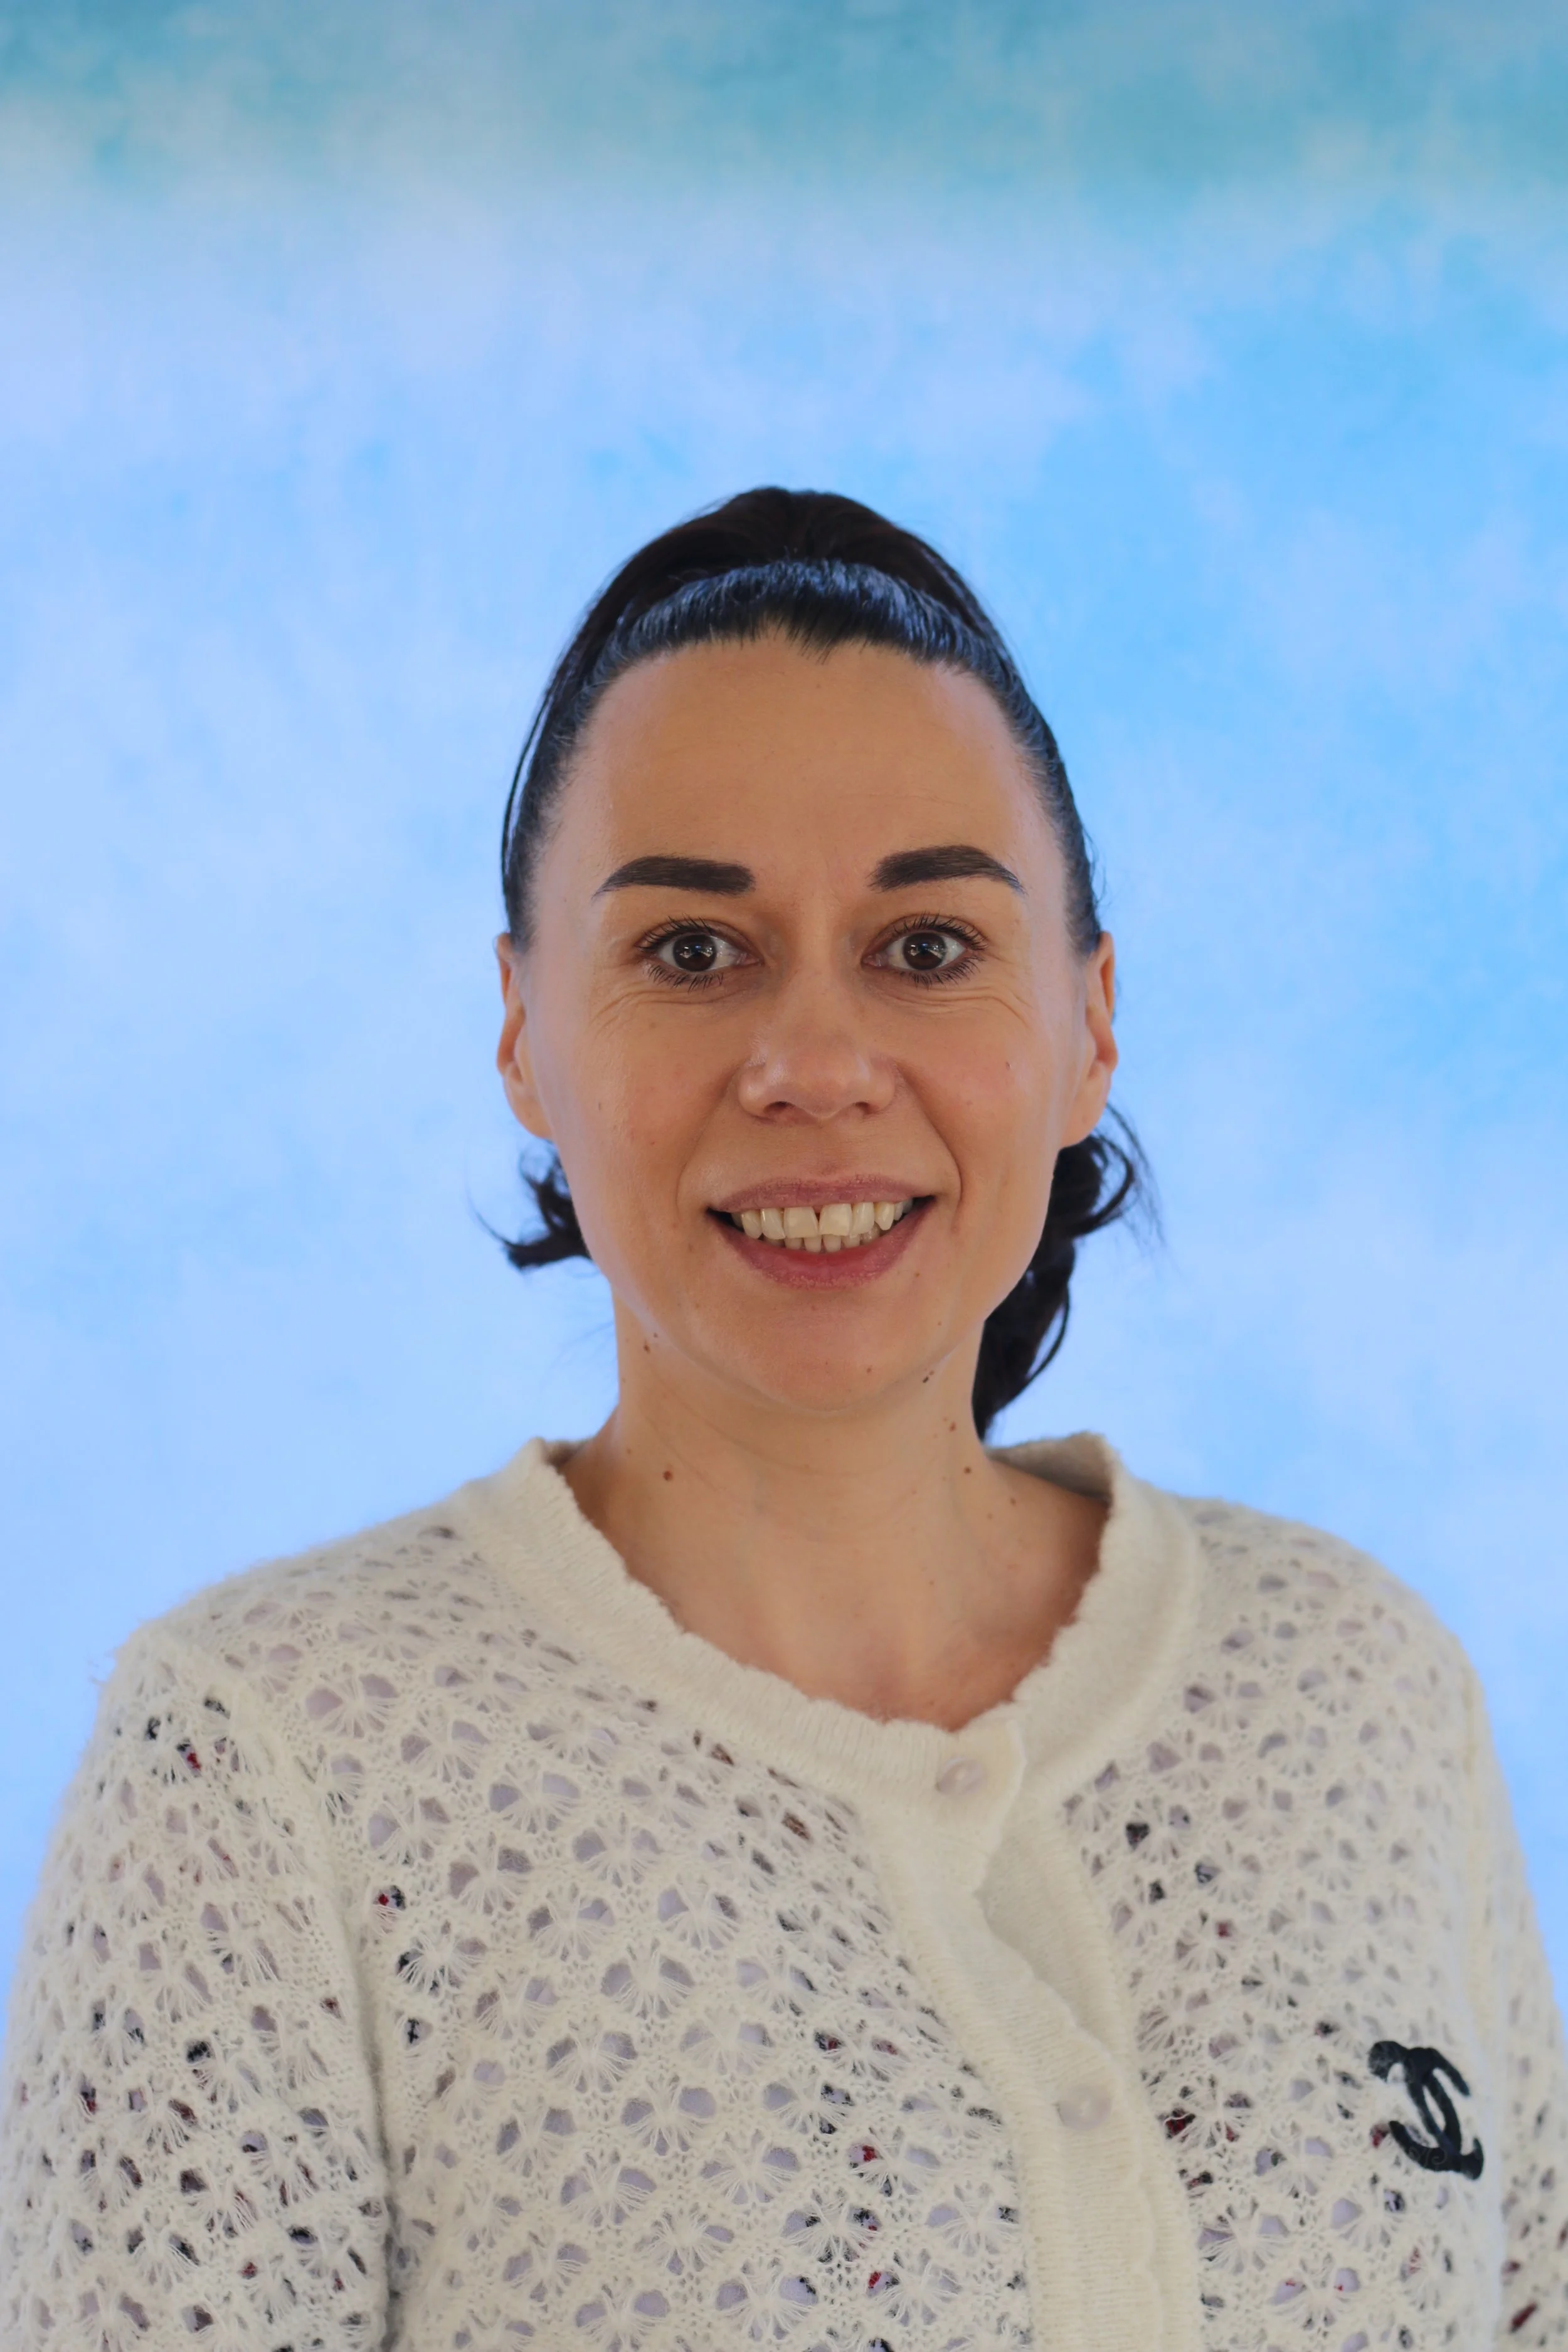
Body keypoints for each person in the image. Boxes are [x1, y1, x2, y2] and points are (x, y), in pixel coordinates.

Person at [2, 488, 1562, 2351]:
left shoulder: (1363, 1692)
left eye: (927, 947)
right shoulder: (267, 1773)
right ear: (522, 1032)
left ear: (1090, 1022)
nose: (816, 1066)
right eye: (689, 950)